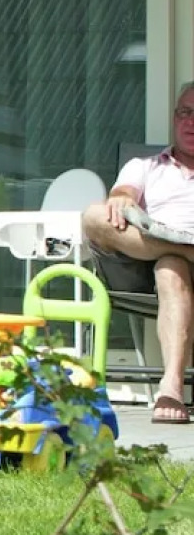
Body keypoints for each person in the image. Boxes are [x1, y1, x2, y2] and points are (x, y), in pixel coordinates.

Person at [82, 82, 194, 424]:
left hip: (175, 272)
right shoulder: (145, 166)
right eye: (185, 112)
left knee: (171, 267)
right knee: (93, 216)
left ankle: (171, 388)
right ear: (174, 118)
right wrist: (122, 199)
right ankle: (184, 249)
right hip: (139, 263)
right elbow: (122, 195)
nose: (191, 121)